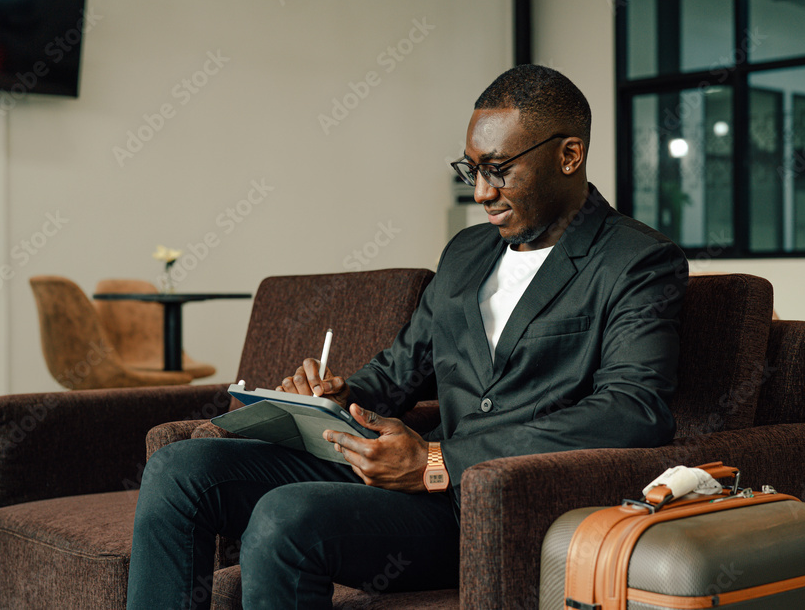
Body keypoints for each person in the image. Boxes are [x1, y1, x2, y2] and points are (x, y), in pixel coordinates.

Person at [126, 64, 688, 610]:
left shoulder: (636, 261)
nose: (483, 192)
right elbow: (398, 372)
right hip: (407, 475)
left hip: (491, 504)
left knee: (286, 516)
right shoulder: (466, 254)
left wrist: (440, 459)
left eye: (498, 168)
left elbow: (633, 410)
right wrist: (336, 398)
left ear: (570, 155)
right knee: (181, 470)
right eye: (471, 170)